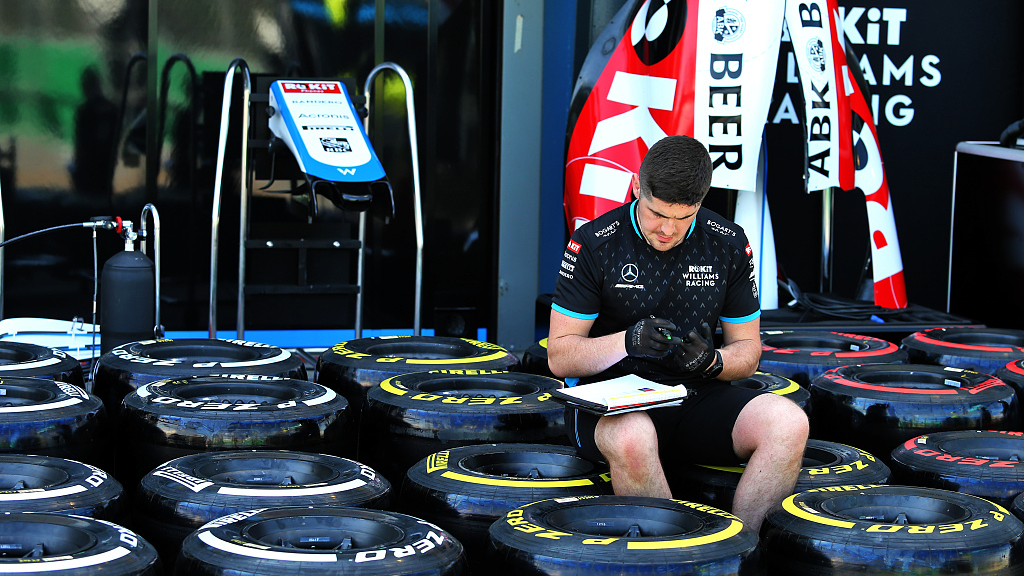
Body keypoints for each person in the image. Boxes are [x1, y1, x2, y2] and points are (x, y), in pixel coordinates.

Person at [547, 135, 808, 533]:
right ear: (636, 186)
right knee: (632, 436)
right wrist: (627, 341)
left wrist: (713, 362)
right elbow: (559, 357)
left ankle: (744, 550)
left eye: (684, 217)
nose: (668, 229)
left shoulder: (728, 242)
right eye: (656, 213)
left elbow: (748, 350)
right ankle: (681, 554)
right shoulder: (594, 243)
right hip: (610, 403)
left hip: (695, 394)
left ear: (701, 202)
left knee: (789, 422)